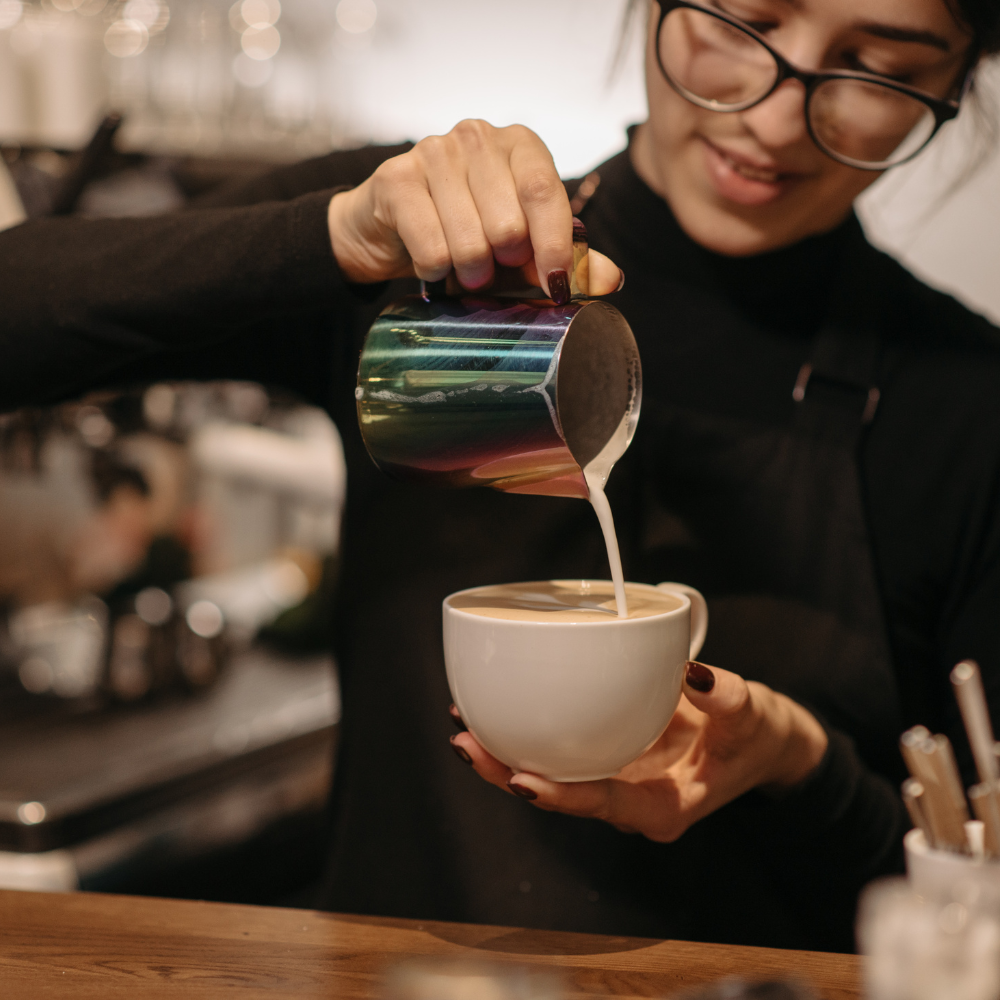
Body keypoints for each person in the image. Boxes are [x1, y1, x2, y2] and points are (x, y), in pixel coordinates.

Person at [3, 0, 1000, 953]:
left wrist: (804, 767)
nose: (778, 119)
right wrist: (325, 237)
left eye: (879, 69)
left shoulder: (964, 402)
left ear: (958, 81)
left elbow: (973, 899)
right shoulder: (435, 268)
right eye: (745, 20)